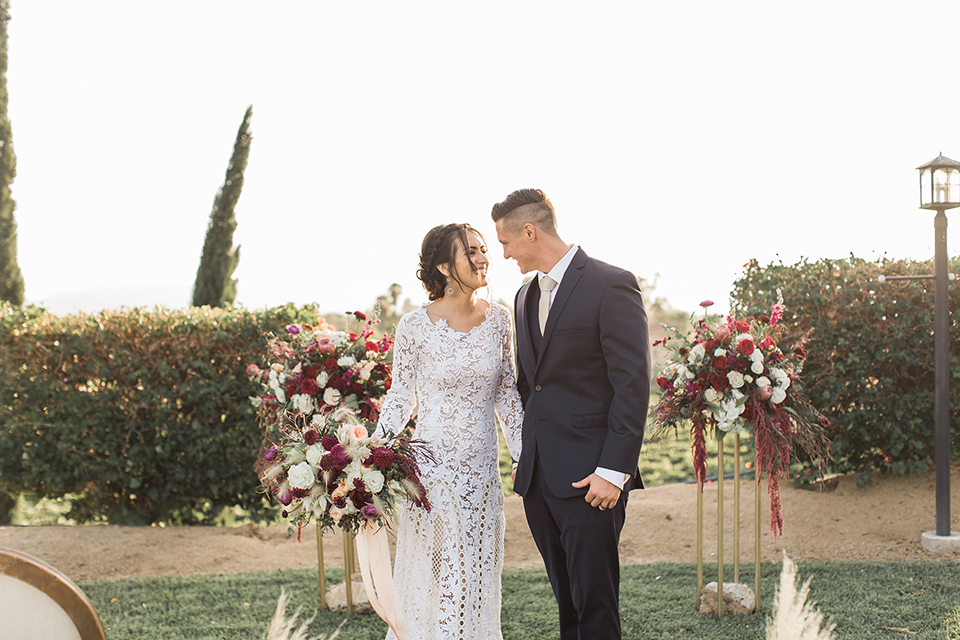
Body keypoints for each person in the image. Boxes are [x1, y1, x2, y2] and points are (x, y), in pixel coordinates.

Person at [491, 189, 650, 640]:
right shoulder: (523, 298)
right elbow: (530, 386)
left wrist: (613, 471)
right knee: (568, 605)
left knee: (595, 605)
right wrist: (526, 456)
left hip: (591, 480)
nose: (503, 254)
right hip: (539, 481)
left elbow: (632, 385)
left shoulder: (611, 283)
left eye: (506, 243)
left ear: (529, 231)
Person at [374, 223, 524, 640]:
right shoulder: (414, 327)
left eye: (483, 250)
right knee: (433, 572)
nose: (482, 258)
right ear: (444, 266)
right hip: (431, 473)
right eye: (470, 252)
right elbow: (400, 397)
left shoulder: (499, 321)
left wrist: (526, 457)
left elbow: (508, 396)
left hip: (481, 472)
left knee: (477, 573)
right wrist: (371, 456)